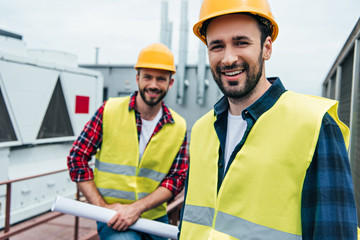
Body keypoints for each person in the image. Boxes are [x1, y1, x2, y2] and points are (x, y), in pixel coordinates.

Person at [179, 0, 358, 239]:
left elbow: (334, 233)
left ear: (267, 48)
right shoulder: (202, 129)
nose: (228, 58)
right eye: (217, 46)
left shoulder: (315, 125)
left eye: (241, 42)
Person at [67, 43, 188, 240]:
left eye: (161, 79)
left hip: (154, 218)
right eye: (147, 77)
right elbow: (77, 158)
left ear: (170, 83)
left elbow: (176, 179)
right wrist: (103, 208)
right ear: (137, 78)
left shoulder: (179, 125)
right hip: (113, 217)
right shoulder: (109, 111)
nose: (153, 85)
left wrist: (136, 208)